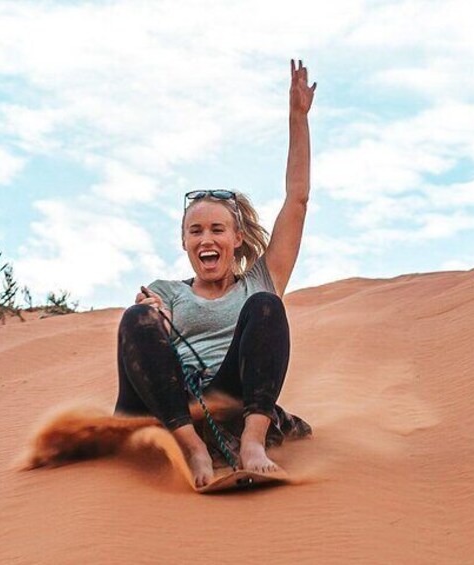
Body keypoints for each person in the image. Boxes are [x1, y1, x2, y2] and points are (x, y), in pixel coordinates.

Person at [115, 59, 317, 487]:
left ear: (237, 237)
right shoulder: (166, 290)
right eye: (195, 231)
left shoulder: (260, 280)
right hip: (171, 406)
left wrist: (297, 119)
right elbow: (149, 338)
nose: (206, 239)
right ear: (185, 242)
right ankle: (193, 451)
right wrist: (154, 316)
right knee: (137, 319)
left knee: (266, 306)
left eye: (217, 229)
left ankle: (253, 443)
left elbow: (297, 200)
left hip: (229, 400)